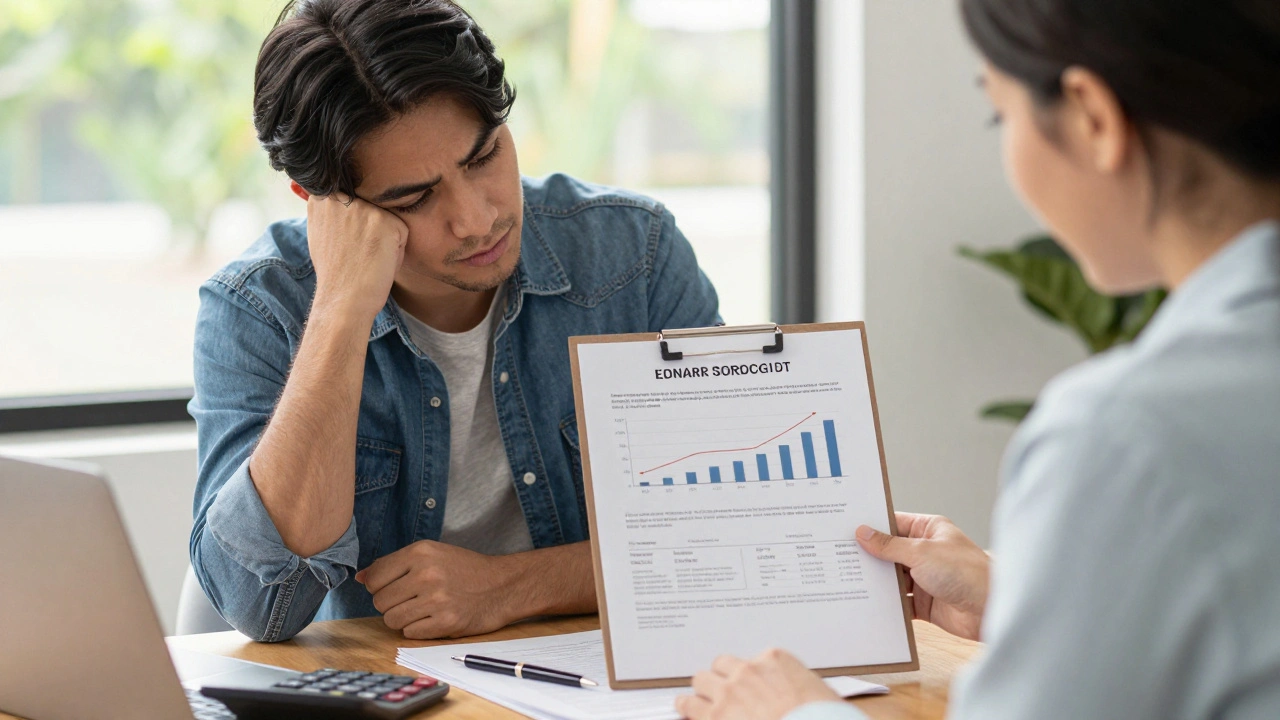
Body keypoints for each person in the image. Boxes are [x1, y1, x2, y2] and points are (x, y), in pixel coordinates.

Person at [677, 0, 1280, 718]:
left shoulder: (1124, 433)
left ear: (1093, 117)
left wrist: (793, 712)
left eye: (1003, 115)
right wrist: (1026, 595)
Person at [188, 0, 719, 643]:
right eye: (414, 198)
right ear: (323, 202)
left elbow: (720, 536)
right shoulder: (255, 308)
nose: (476, 219)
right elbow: (260, 606)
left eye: (483, 157)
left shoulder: (636, 256)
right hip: (389, 694)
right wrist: (339, 312)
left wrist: (512, 587)